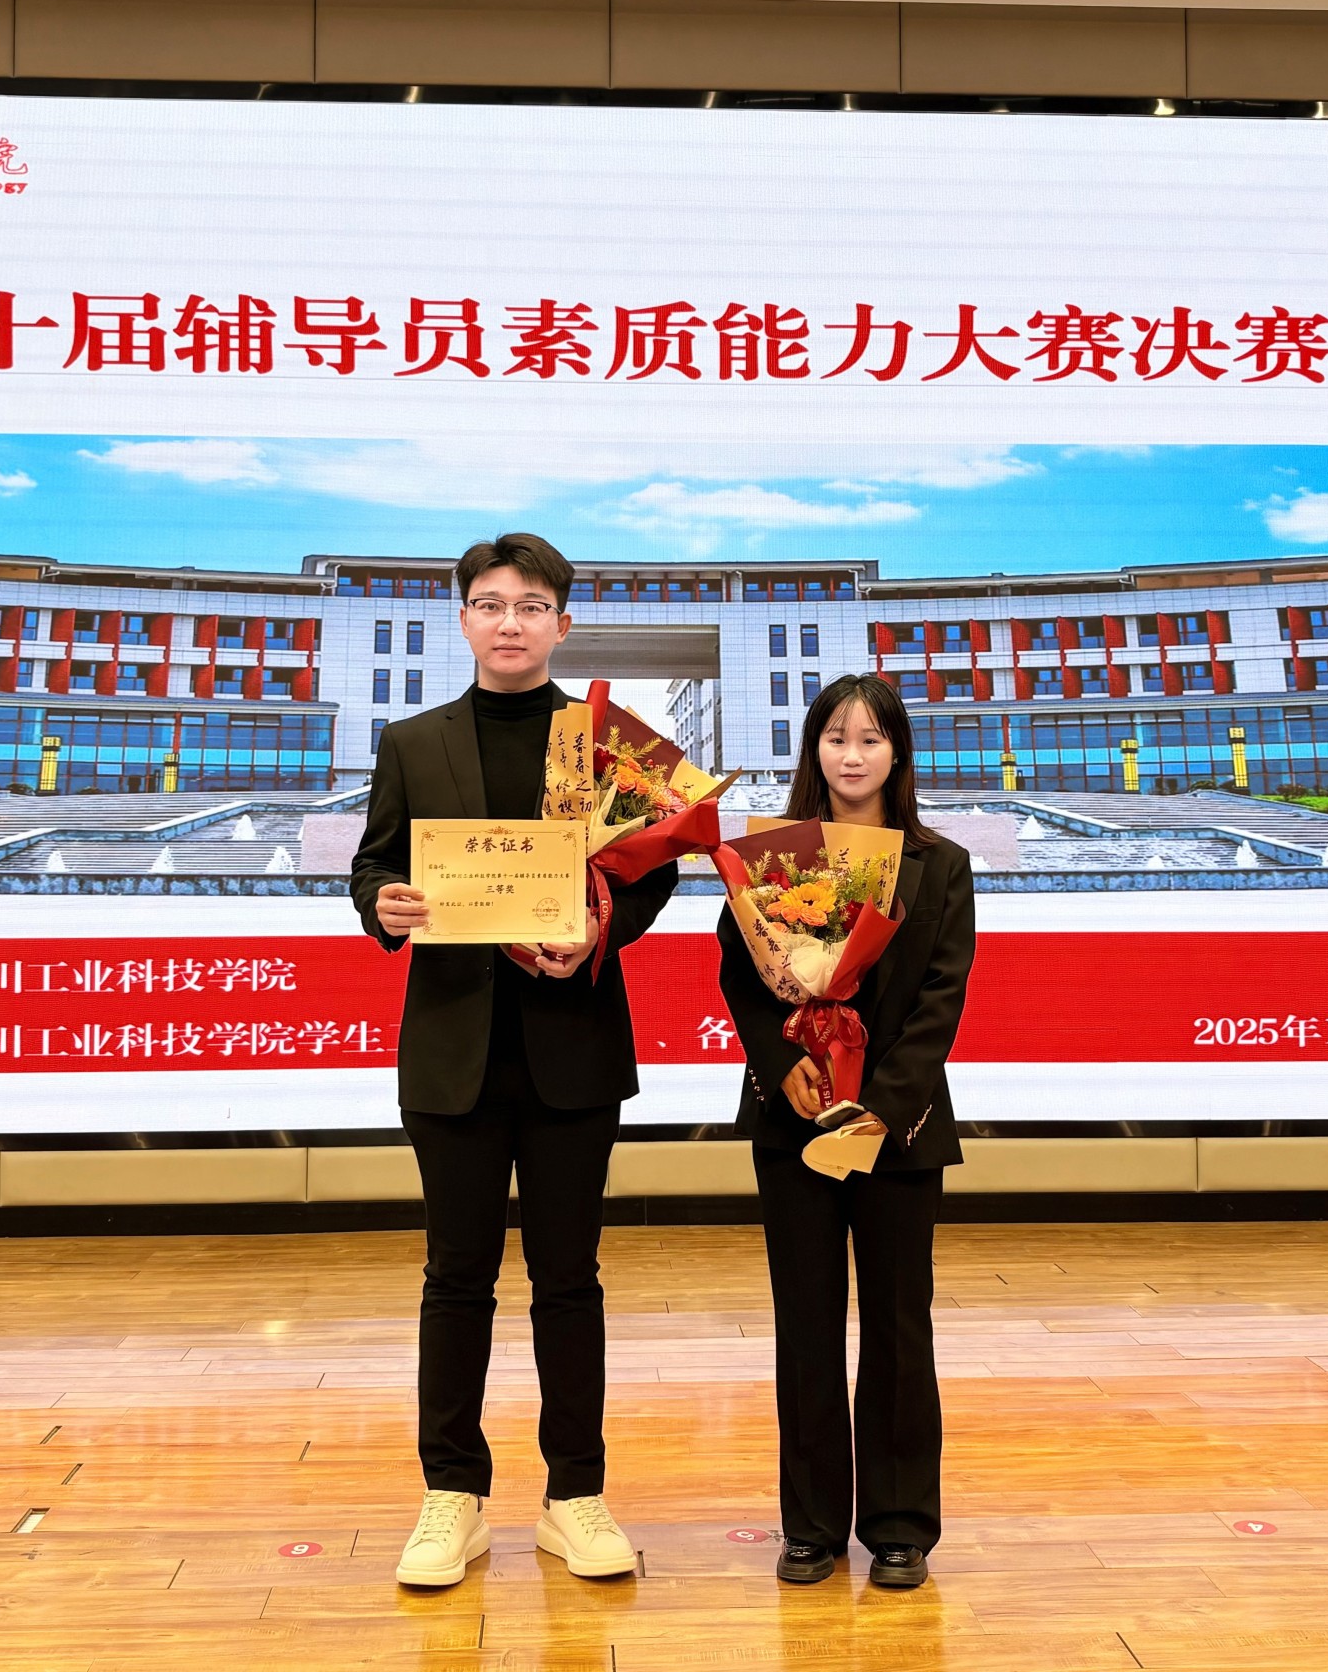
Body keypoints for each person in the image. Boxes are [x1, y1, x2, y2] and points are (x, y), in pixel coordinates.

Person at [352, 532, 679, 1589]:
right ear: (464, 620)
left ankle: (575, 1495)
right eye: (490, 604)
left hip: (571, 1042)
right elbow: (374, 864)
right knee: (455, 1279)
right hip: (453, 1045)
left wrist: (603, 930)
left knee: (568, 1279)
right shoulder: (414, 741)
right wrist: (383, 905)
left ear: (562, 624)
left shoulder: (608, 743)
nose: (510, 622)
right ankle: (451, 1496)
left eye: (532, 606)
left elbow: (656, 870)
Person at [716, 672, 975, 1591]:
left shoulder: (940, 863)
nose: (852, 755)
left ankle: (901, 1526)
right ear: (814, 750)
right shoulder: (775, 857)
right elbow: (740, 972)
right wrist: (780, 1061)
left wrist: (882, 1105)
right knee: (807, 1324)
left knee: (900, 1327)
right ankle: (813, 1524)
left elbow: (942, 997)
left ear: (897, 753)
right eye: (836, 738)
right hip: (794, 1118)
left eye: (870, 738)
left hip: (898, 1128)